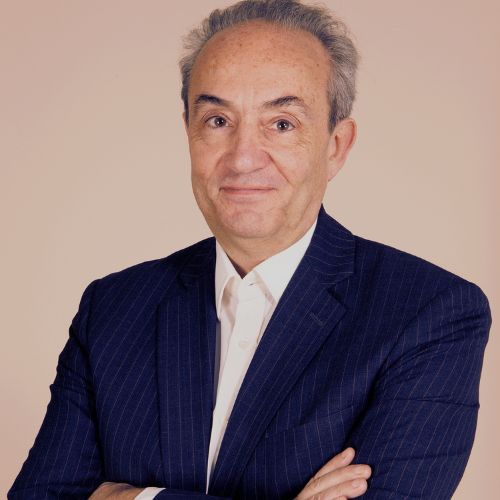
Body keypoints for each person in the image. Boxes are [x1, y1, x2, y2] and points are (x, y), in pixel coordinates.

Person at [8, 0, 492, 499]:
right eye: (218, 120)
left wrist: (137, 497)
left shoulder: (430, 314)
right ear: (188, 131)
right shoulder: (113, 308)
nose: (242, 158)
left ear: (336, 145)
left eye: (281, 124)